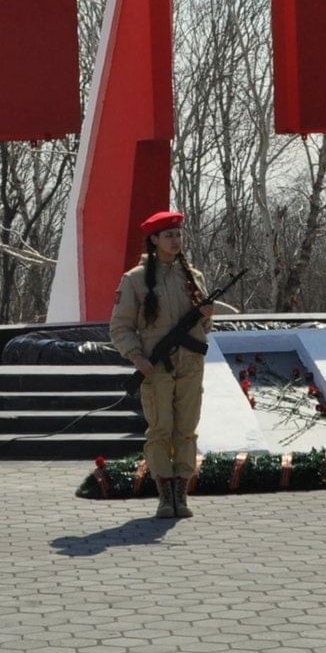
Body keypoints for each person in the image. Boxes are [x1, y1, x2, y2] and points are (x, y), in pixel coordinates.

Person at [108, 210, 213, 520]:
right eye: (169, 236)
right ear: (154, 240)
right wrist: (137, 357)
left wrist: (206, 314)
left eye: (178, 235)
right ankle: (164, 494)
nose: (175, 240)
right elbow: (120, 326)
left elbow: (203, 329)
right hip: (156, 366)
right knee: (160, 429)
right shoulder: (135, 280)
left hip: (190, 363)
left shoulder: (192, 276)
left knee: (186, 428)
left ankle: (181, 491)